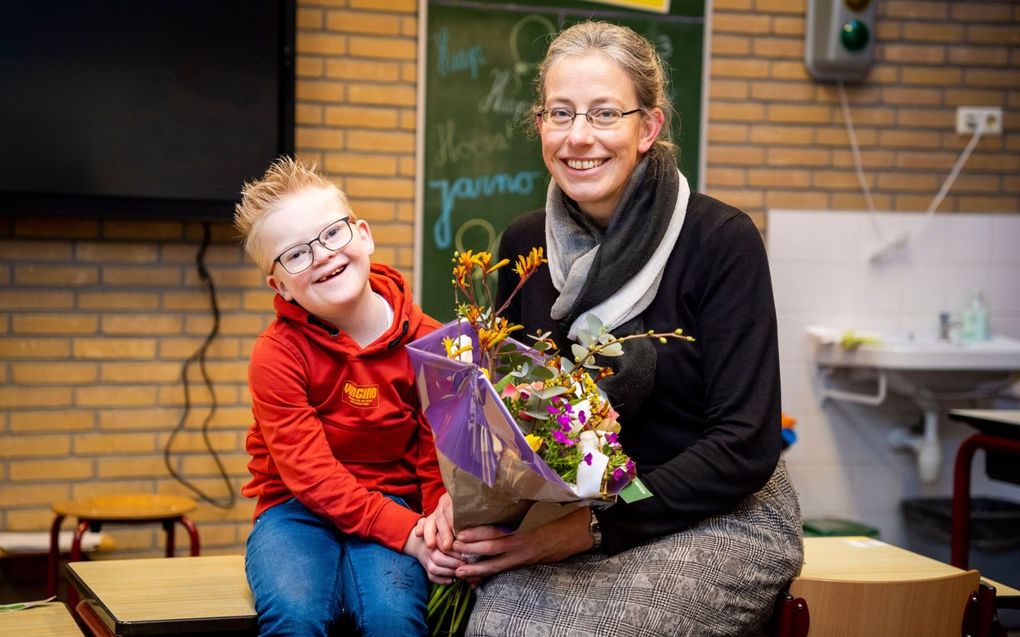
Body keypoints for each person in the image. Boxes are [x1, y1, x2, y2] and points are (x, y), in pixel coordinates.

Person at [424, 21, 803, 637]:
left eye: (604, 114)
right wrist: (463, 507)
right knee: (490, 617)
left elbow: (744, 446)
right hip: (574, 503)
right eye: (560, 113)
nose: (579, 138)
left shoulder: (720, 241)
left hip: (721, 514)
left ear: (648, 127)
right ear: (539, 124)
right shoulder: (524, 242)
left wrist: (579, 533)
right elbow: (515, 418)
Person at [234, 157, 463, 637]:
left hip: (397, 502)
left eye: (332, 234)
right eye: (295, 254)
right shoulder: (277, 355)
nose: (321, 255)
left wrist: (436, 524)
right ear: (280, 286)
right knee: (295, 617)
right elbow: (311, 477)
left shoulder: (435, 343)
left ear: (363, 235)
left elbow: (433, 459)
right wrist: (408, 536)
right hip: (294, 509)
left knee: (393, 619)